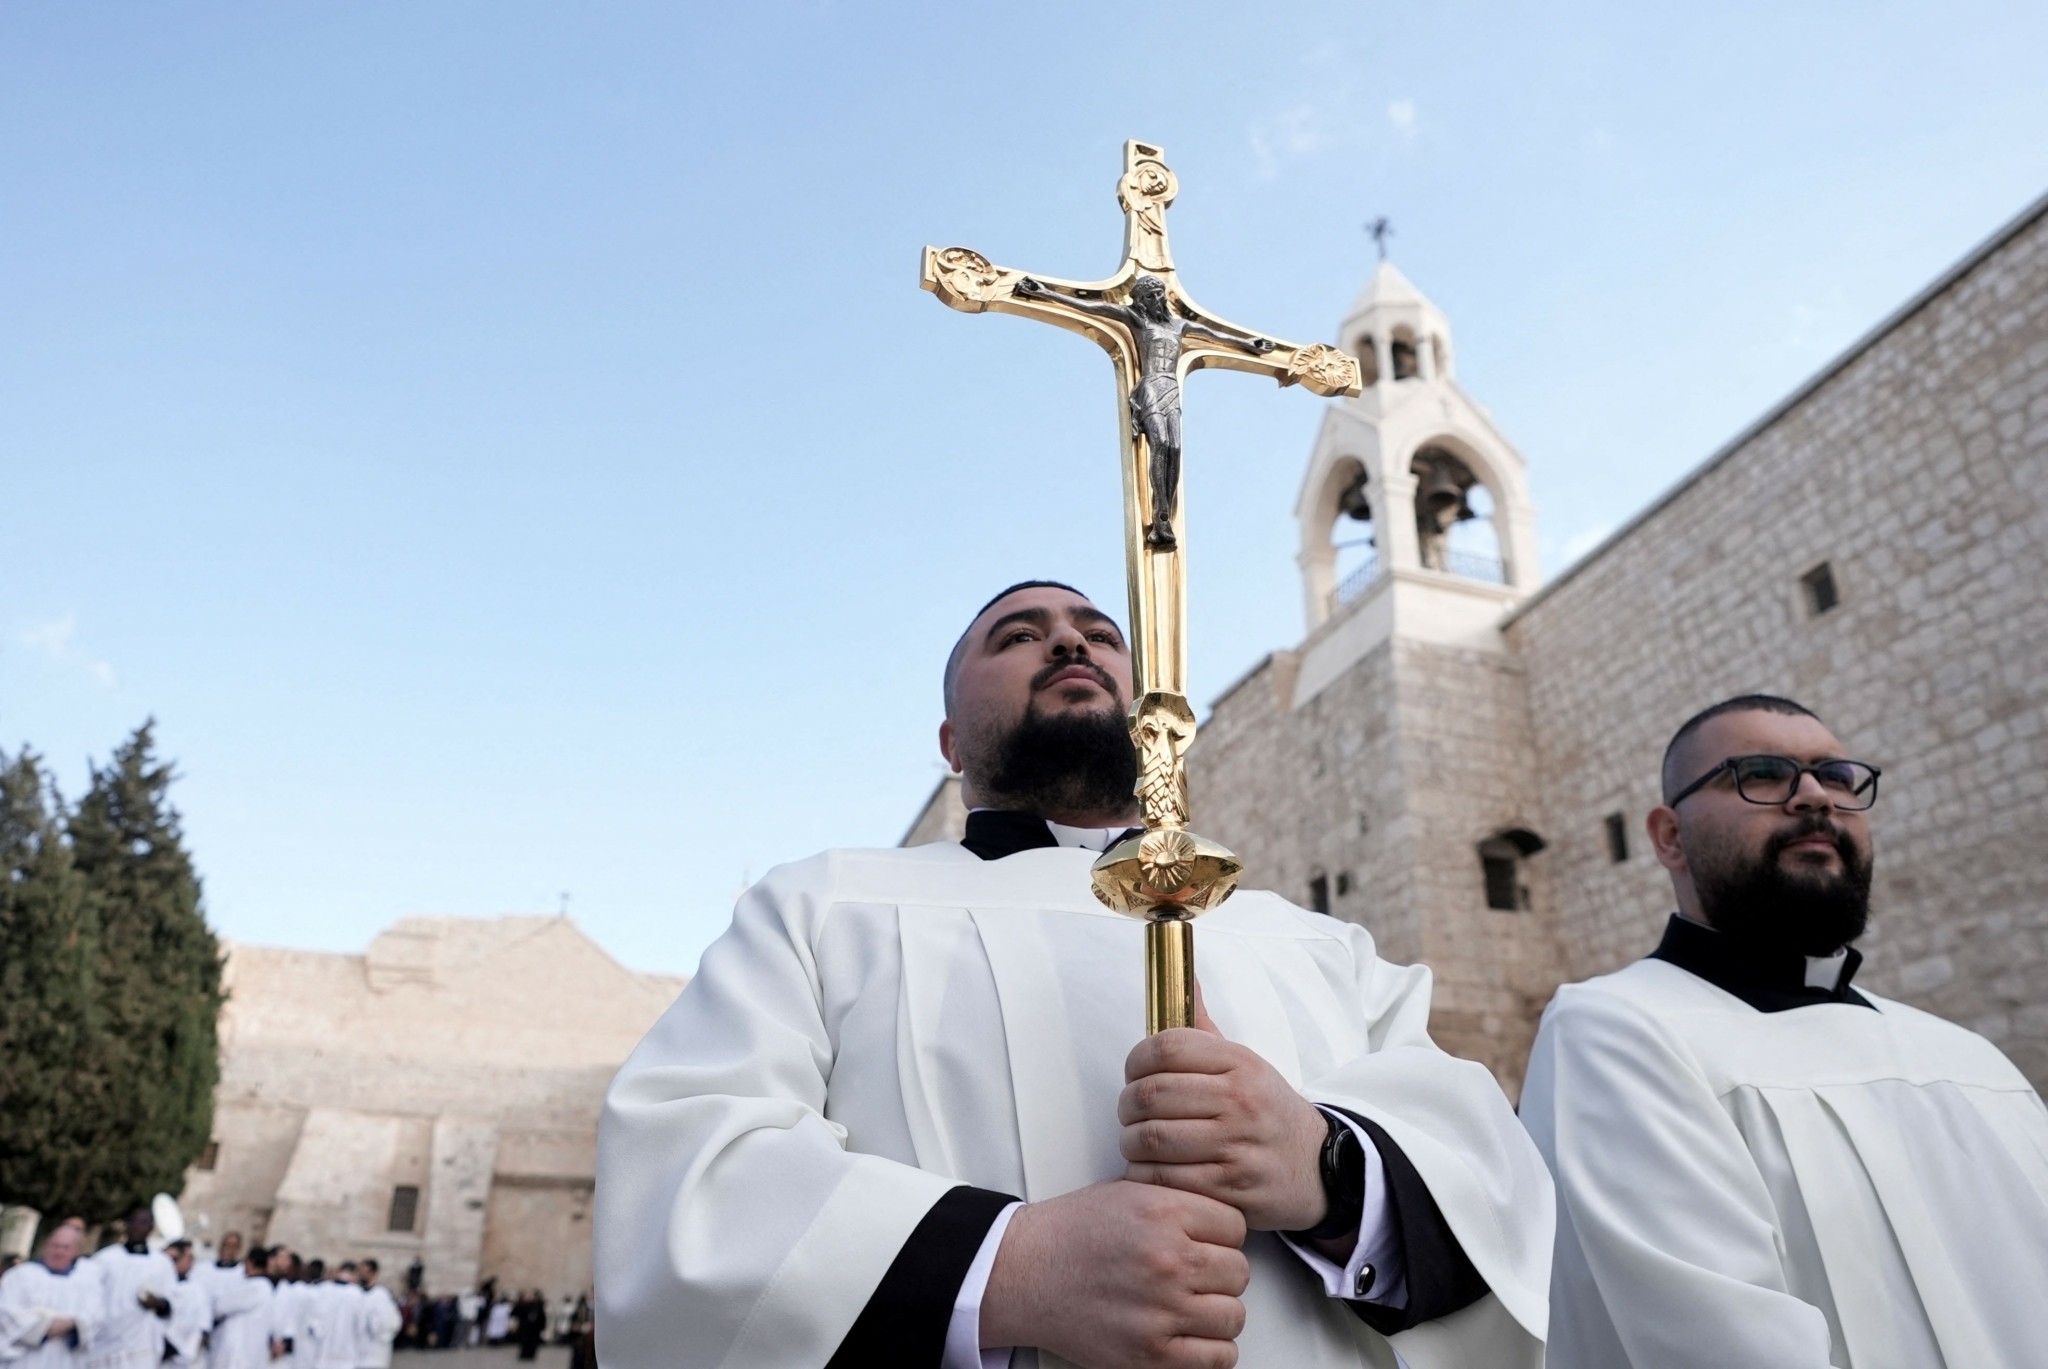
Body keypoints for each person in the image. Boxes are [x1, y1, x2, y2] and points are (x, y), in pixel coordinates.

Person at [597, 580, 1554, 1368]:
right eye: (1019, 635)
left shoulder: (1318, 943)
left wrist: (1324, 1166)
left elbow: (1493, 1179)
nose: (1069, 643)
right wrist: (1006, 1268)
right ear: (948, 743)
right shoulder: (822, 907)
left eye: (1101, 633)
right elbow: (687, 1175)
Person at [1520, 694, 2048, 1367]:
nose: (1813, 796)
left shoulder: (1968, 1056)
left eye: (1837, 777)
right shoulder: (1616, 1031)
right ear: (1669, 836)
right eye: (1762, 773)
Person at [0, 1224, 102, 1369]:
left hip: (65, 1360)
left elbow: (95, 1316)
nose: (59, 1252)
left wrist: (73, 1324)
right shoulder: (20, 1275)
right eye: (55, 1245)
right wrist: (44, 1327)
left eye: (66, 1247)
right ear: (46, 1247)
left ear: (76, 1251)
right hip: (23, 1360)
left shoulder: (87, 1282)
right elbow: (6, 1312)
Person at [89, 1207, 176, 1369]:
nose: (137, 1226)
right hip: (105, 1342)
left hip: (142, 1346)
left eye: (143, 1222)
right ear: (126, 1225)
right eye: (134, 1221)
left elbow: (171, 1302)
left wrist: (158, 1303)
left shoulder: (162, 1263)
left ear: (151, 1227)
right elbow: (90, 1297)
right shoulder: (105, 1259)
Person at [204, 1248, 274, 1369]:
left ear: (250, 1263)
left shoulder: (257, 1287)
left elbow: (221, 1305)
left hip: (241, 1355)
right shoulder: (260, 1287)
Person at [159, 1242, 212, 1369]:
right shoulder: (157, 1283)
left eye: (190, 1258)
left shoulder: (196, 1291)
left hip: (177, 1359)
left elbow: (197, 1328)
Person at [301, 1264, 361, 1369]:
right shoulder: (356, 1294)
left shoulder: (321, 1290)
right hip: (341, 1353)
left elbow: (314, 1320)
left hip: (327, 1352)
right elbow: (361, 1325)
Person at [353, 1262, 397, 1369]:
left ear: (372, 1272)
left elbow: (391, 1322)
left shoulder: (382, 1295)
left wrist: (376, 1325)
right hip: (357, 1353)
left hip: (375, 1352)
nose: (360, 1274)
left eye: (363, 1271)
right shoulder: (356, 1292)